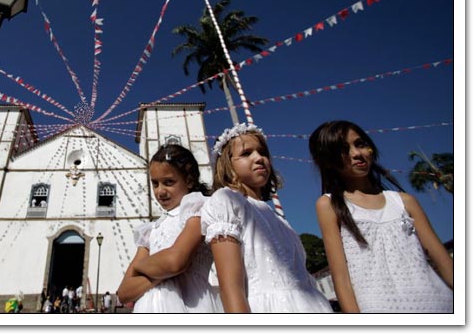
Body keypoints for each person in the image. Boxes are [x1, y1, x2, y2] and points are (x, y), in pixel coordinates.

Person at [309, 120, 453, 313]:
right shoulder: (329, 205)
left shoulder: (404, 201)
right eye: (343, 149)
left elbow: (443, 262)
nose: (356, 153)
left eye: (360, 144)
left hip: (438, 304)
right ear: (327, 161)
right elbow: (341, 278)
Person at [201, 122, 333, 313]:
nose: (259, 158)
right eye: (246, 154)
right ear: (227, 164)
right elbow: (231, 287)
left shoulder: (278, 218)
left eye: (262, 152)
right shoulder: (226, 201)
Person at [117, 144, 222, 313]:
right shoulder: (151, 230)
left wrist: (139, 268)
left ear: (188, 180)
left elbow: (175, 262)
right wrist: (159, 271)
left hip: (191, 305)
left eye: (168, 182)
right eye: (155, 184)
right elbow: (123, 292)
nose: (160, 191)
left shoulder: (197, 209)